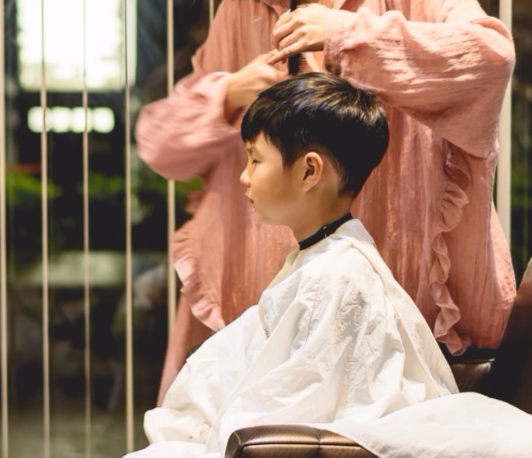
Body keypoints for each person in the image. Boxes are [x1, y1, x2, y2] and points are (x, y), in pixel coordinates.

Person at [135, 0, 517, 403]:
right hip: (276, 317)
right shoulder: (245, 6)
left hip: (402, 308)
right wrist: (228, 93)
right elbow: (161, 143)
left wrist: (348, 36)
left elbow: (488, 59)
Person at [125, 73, 460, 458]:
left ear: (309, 171)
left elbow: (302, 401)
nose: (244, 176)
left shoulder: (336, 274)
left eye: (255, 160)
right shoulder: (323, 257)